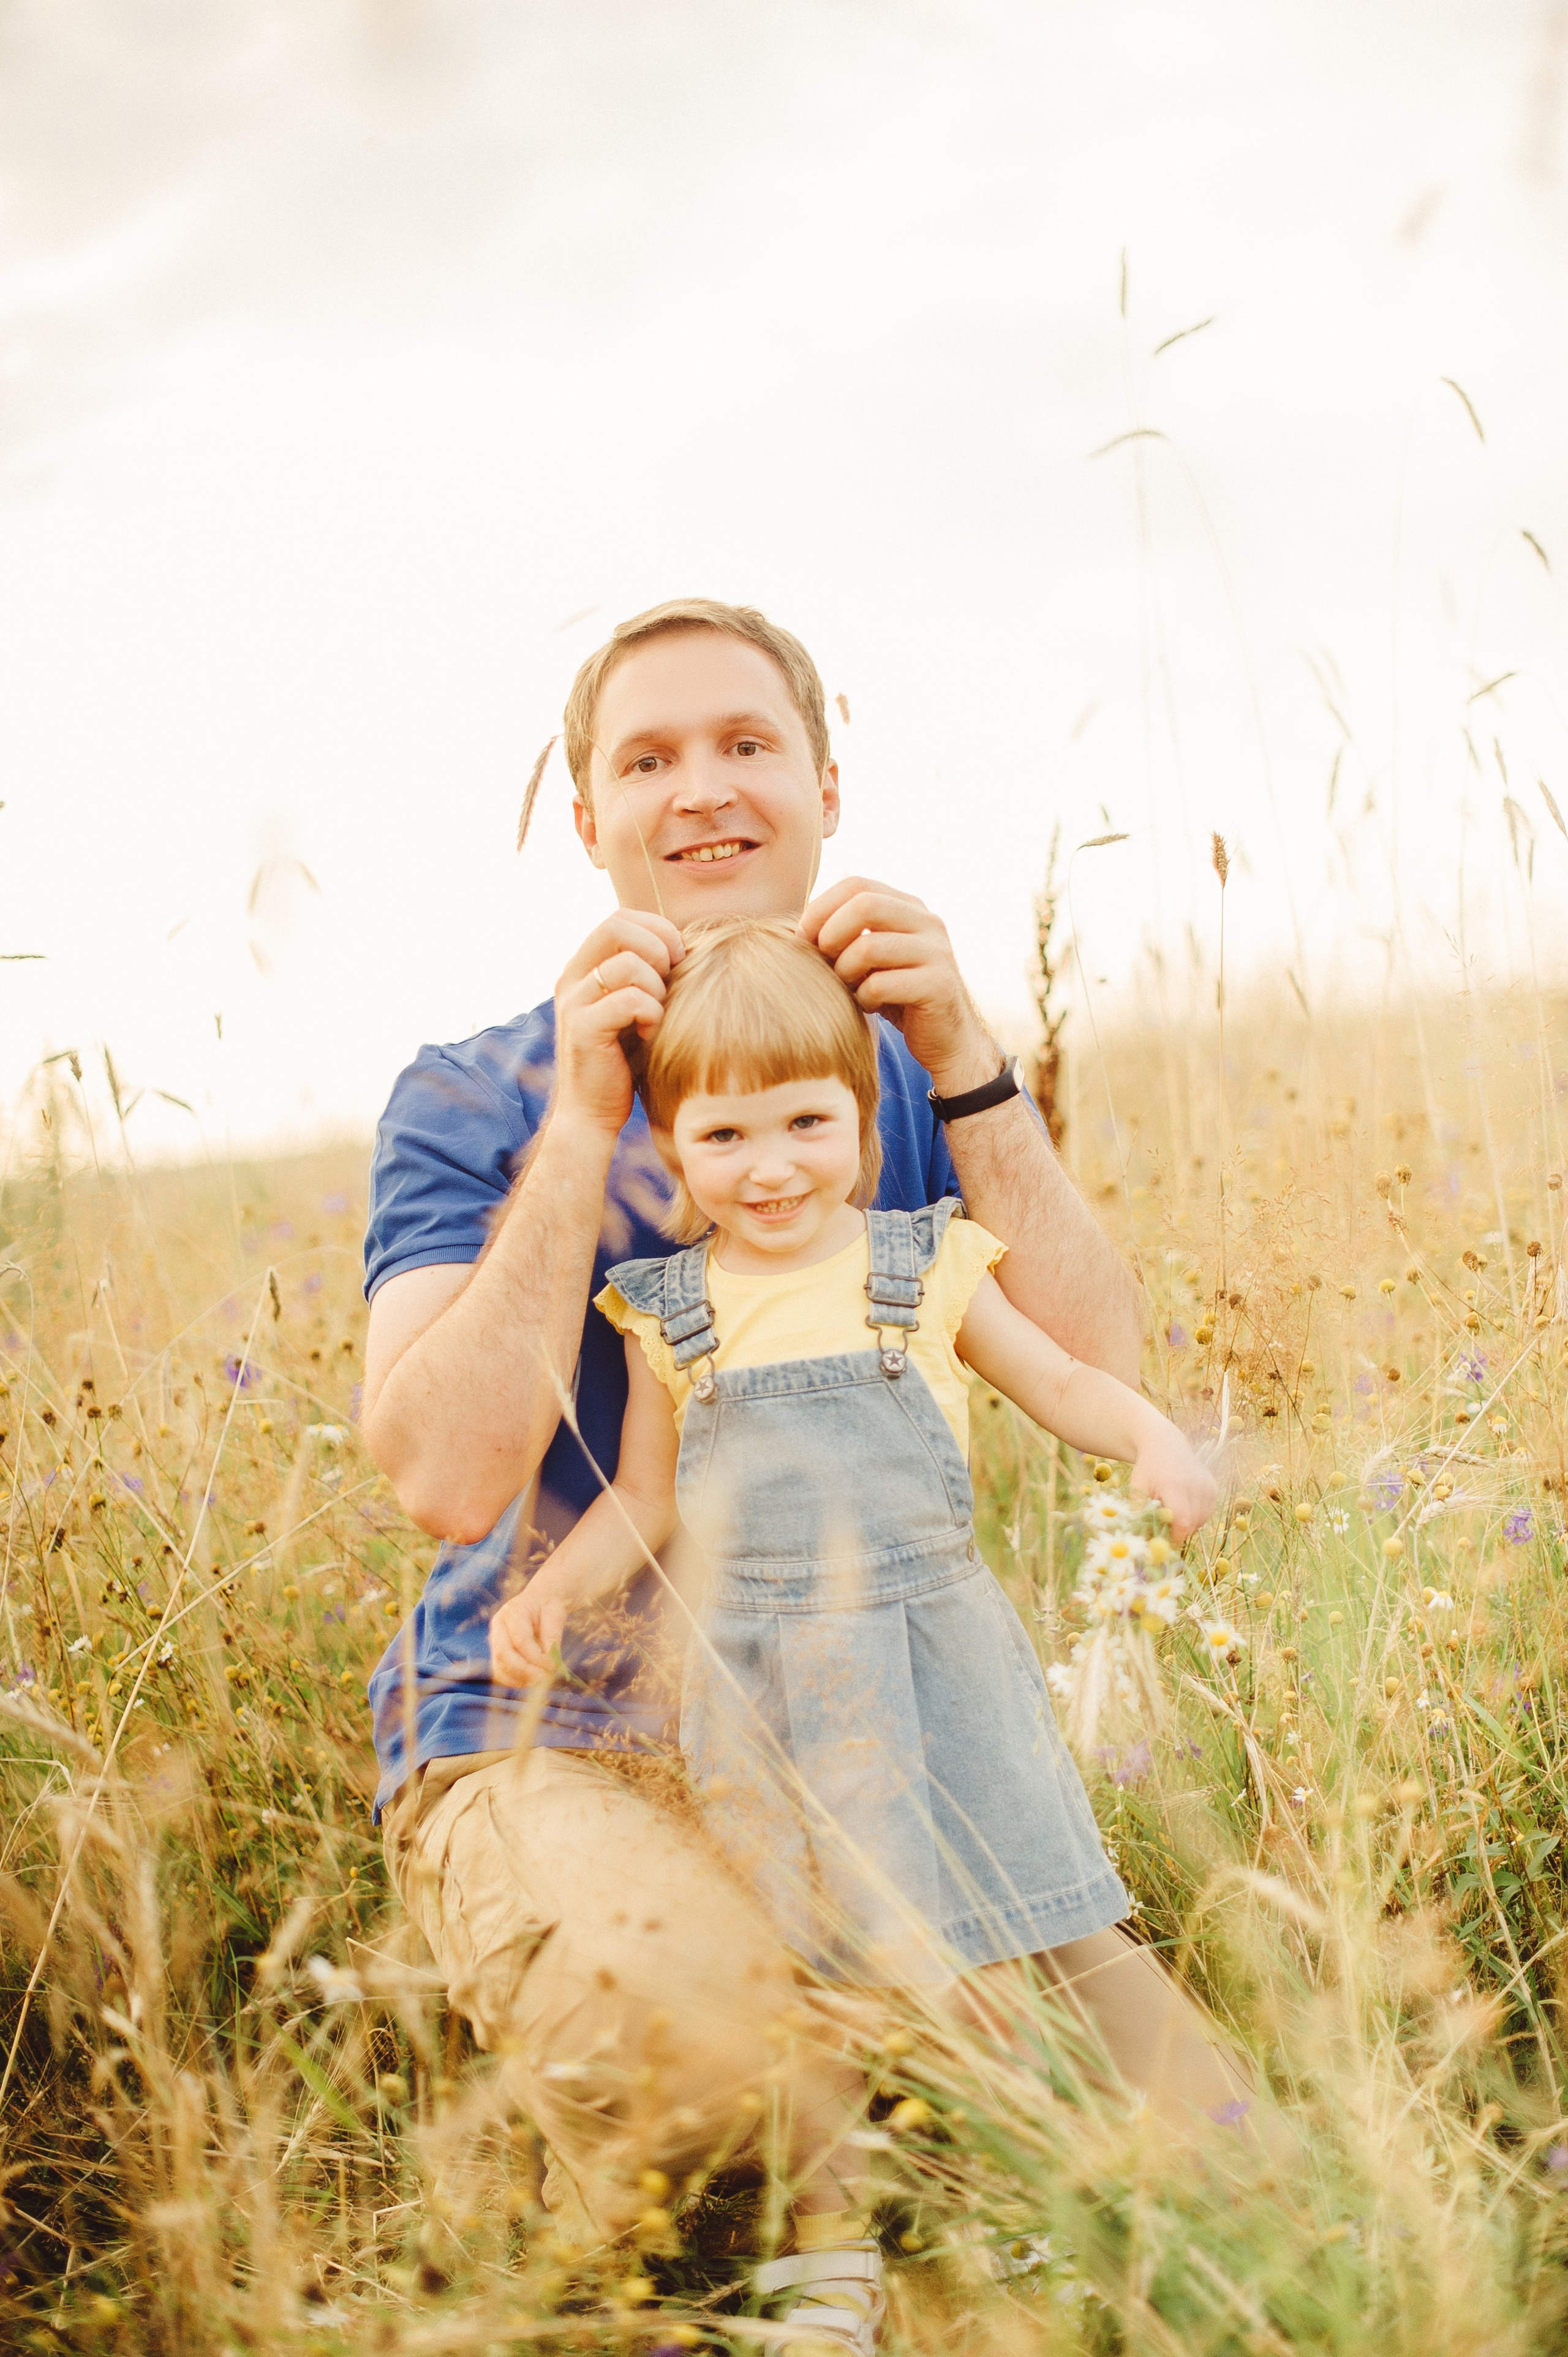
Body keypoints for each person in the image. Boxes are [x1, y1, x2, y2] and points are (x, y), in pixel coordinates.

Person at [360, 598, 1245, 2336]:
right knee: (706, 2059)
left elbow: (1091, 1366)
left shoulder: (873, 1077)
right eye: (650, 757)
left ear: (828, 786)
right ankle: (655, 2171)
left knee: (1228, 2162)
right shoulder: (472, 1095)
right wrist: (583, 1123)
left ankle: (920, 2130)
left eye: (747, 744)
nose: (703, 790)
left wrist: (972, 1066)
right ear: (584, 814)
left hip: (860, 1711)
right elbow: (448, 1479)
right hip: (554, 1734)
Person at [486, 915, 1219, 2350]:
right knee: (807, 1973)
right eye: (725, 1135)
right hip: (763, 1688)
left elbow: (1060, 1377)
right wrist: (549, 1592)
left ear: (863, 1115)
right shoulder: (670, 1312)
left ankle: (1028, 2190)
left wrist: (1152, 1443)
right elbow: (641, 1499)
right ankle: (832, 2240)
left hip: (936, 1665)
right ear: (670, 1146)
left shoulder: (921, 1266)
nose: (771, 1166)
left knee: (991, 1954)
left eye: (808, 1120)